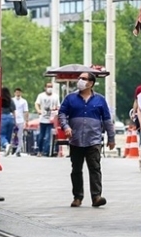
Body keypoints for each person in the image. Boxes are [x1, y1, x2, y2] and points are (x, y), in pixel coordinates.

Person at [58, 72, 115, 208]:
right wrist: (66, 127)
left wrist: (111, 137)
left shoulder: (100, 100)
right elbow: (62, 114)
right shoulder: (70, 98)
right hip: (75, 139)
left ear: (91, 83)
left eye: (83, 79)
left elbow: (107, 120)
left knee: (95, 168)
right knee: (76, 169)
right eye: (80, 78)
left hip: (93, 140)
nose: (80, 81)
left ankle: (96, 196)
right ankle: (77, 196)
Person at [34, 82, 60, 157]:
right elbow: (37, 104)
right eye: (48, 86)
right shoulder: (41, 96)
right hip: (43, 119)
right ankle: (40, 150)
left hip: (51, 119)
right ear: (45, 87)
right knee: (41, 136)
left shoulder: (55, 96)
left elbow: (58, 106)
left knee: (49, 136)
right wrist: (38, 110)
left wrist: (55, 110)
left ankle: (47, 151)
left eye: (51, 86)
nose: (50, 88)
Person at [12, 87, 29, 157]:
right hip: (13, 119)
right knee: (12, 135)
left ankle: (18, 150)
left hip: (20, 120)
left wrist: (26, 120)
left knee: (19, 135)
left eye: (19, 92)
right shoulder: (12, 100)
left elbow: (26, 111)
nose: (18, 93)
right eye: (16, 92)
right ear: (14, 93)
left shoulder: (24, 101)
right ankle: (12, 147)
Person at [0, 87, 16, 156]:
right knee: (8, 135)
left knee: (1, 135)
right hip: (10, 117)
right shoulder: (11, 100)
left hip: (2, 117)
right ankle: (7, 149)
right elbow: (14, 111)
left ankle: (6, 145)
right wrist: (15, 120)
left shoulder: (0, 99)